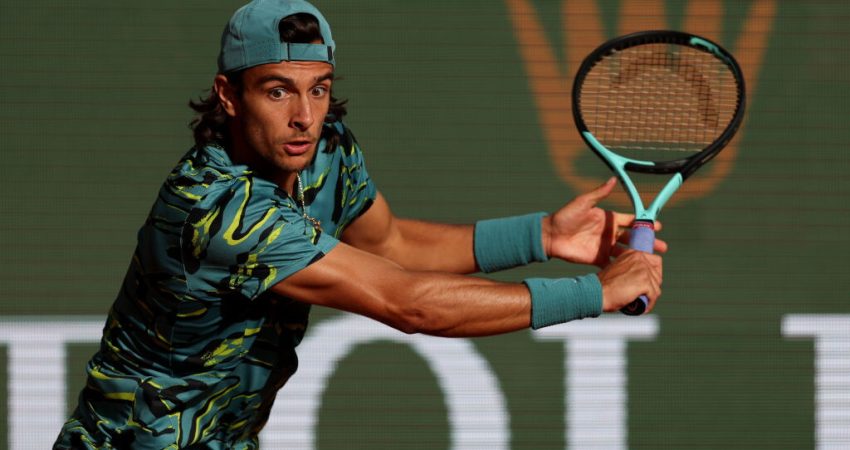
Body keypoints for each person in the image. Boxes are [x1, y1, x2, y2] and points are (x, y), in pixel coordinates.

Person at [54, 0, 665, 448]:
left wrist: (542, 236)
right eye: (277, 91)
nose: (304, 116)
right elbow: (409, 303)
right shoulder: (218, 209)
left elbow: (391, 244)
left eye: (318, 90)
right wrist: (595, 293)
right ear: (229, 95)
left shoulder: (325, 152)